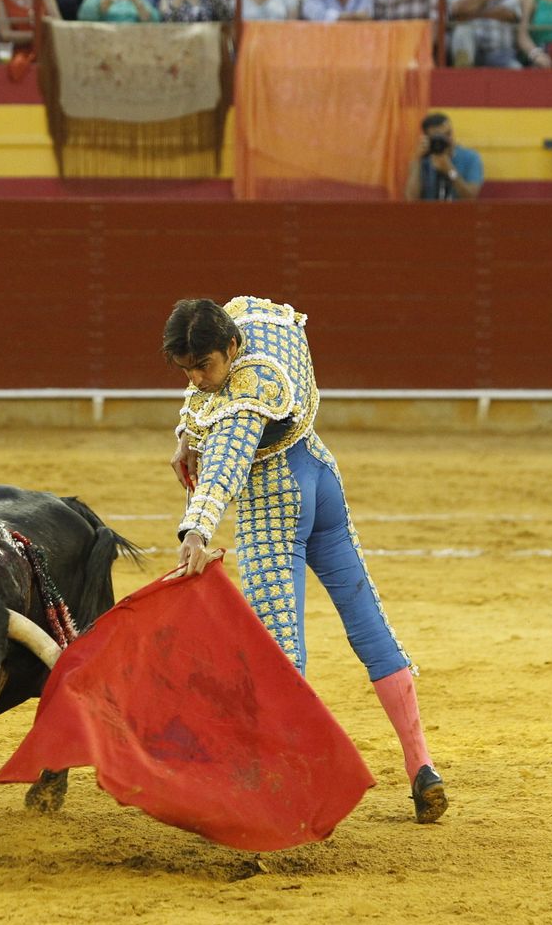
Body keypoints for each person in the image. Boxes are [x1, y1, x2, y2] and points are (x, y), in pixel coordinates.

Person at [161, 296, 448, 825]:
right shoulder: (254, 322)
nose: (198, 380)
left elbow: (226, 460)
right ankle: (422, 766)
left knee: (279, 653)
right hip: (320, 475)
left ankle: (288, 789)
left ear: (230, 347)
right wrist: (186, 433)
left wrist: (197, 528)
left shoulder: (247, 395)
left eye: (204, 366)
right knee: (369, 624)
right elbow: (207, 404)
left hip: (275, 500)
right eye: (187, 369)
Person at [405, 111, 483, 198]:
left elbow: (470, 196)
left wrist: (450, 170)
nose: (447, 140)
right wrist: (417, 160)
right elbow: (411, 198)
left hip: (459, 211)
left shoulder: (470, 158)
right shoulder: (423, 159)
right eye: (439, 137)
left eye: (448, 134)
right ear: (428, 138)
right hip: (428, 211)